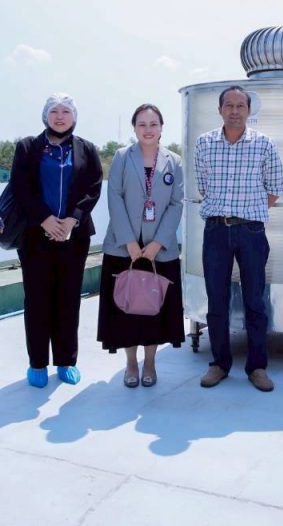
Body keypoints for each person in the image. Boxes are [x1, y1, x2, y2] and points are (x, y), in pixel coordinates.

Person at [195, 85, 283, 392]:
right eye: (229, 105)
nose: (234, 111)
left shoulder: (264, 144)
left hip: (251, 232)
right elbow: (203, 186)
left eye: (240, 106)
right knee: (216, 299)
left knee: (254, 300)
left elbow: (275, 189)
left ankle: (257, 367)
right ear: (220, 109)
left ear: (249, 110)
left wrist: (247, 212)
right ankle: (219, 364)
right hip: (216, 231)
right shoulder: (204, 143)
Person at [10, 93, 102, 388]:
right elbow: (20, 187)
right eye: (54, 111)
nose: (60, 116)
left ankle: (66, 361)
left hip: (74, 236)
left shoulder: (86, 149)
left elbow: (93, 187)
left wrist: (73, 219)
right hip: (36, 235)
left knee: (68, 298)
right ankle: (37, 363)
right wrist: (45, 219)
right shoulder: (28, 147)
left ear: (74, 117)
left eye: (66, 111)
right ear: (45, 116)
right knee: (37, 299)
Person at [98, 104, 185, 387]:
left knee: (154, 310)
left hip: (160, 250)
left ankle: (150, 362)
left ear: (161, 127)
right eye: (142, 124)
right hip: (124, 249)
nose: (148, 130)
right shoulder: (123, 157)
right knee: (127, 310)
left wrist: (157, 243)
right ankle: (131, 364)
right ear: (134, 128)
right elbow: (114, 198)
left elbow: (176, 204)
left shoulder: (174, 161)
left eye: (153, 124)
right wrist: (130, 243)